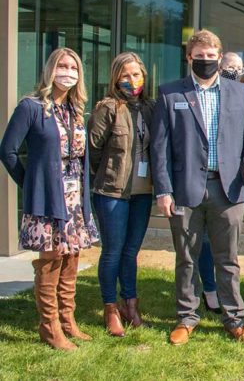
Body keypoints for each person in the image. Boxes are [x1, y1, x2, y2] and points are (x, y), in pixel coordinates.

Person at [150, 29, 244, 345]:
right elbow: (160, 148)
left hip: (228, 188)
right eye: (199, 57)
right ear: (189, 57)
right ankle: (186, 318)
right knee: (186, 257)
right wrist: (163, 190)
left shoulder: (238, 93)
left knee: (228, 258)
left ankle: (234, 319)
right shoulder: (171, 94)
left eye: (211, 57)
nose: (205, 62)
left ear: (220, 58)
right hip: (185, 189)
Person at [0, 48, 99, 350]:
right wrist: (31, 183)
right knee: (51, 258)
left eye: (73, 67)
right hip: (47, 197)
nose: (67, 72)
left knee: (71, 256)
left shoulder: (75, 108)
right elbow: (8, 150)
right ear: (50, 70)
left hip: (74, 197)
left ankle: (68, 320)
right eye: (62, 66)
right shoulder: (31, 107)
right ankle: (49, 326)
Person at [88, 52, 155, 336]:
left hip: (142, 193)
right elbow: (93, 151)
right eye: (126, 75)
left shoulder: (150, 108)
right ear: (116, 77)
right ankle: (110, 308)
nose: (132, 80)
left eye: (137, 74)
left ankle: (131, 304)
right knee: (113, 251)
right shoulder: (107, 108)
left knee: (131, 252)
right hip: (111, 192)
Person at [192, 52, 244, 316]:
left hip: (228, 184)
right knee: (200, 245)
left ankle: (232, 311)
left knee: (227, 252)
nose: (234, 72)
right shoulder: (193, 93)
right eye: (230, 67)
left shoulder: (242, 94)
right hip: (195, 183)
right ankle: (208, 291)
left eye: (239, 68)